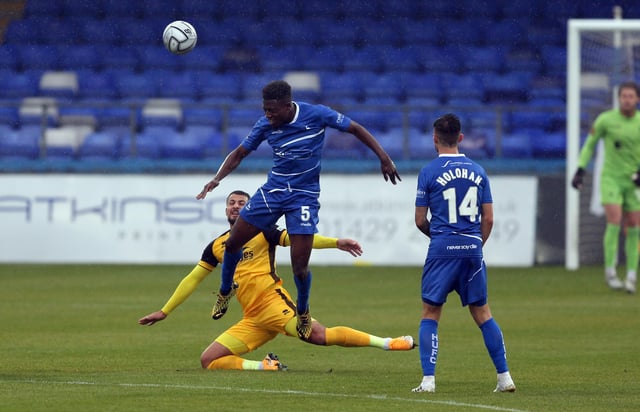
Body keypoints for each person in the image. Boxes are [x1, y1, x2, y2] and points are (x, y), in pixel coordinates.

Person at [196, 80, 401, 340]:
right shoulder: (265, 125)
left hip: (303, 198)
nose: (267, 115)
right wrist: (217, 179)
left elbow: (356, 129)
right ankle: (226, 290)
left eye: (272, 110)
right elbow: (239, 153)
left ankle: (303, 311)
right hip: (273, 192)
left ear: (286, 105)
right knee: (233, 243)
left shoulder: (316, 114)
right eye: (264, 109)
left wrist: (383, 157)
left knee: (299, 267)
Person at [139, 190, 415, 371]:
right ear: (225, 210)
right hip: (252, 318)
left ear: (250, 209)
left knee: (318, 335)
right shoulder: (217, 245)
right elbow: (193, 278)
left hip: (273, 302)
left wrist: (335, 242)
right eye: (231, 203)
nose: (236, 207)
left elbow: (298, 239)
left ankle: (389, 342)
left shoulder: (263, 232)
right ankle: (265, 366)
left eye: (242, 203)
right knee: (209, 360)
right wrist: (165, 310)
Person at [412, 113, 515, 393]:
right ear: (460, 138)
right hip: (472, 249)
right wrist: (473, 245)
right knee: (483, 312)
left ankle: (428, 381)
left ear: (434, 139)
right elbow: (489, 219)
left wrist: (443, 240)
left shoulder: (429, 172)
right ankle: (505, 378)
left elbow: (420, 220)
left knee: (431, 313)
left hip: (442, 248)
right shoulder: (479, 171)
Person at [571, 81, 640, 294]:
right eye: (624, 96)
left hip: (633, 180)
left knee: (635, 226)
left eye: (631, 96)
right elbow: (590, 144)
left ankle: (631, 275)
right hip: (610, 178)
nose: (627, 100)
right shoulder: (606, 120)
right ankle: (610, 272)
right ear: (618, 98)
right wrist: (580, 169)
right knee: (614, 220)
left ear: (637, 99)